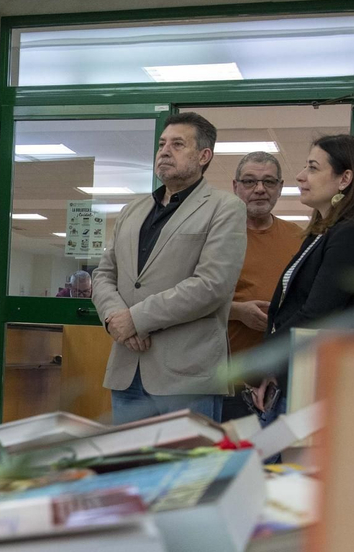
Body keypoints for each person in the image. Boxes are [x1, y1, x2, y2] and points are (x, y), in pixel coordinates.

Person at [91, 113, 246, 425]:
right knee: (129, 468)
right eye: (162, 144)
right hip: (126, 369)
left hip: (186, 376)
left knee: (188, 472)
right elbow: (104, 274)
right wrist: (114, 318)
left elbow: (212, 285)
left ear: (204, 156)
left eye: (178, 144)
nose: (164, 151)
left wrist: (135, 319)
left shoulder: (224, 208)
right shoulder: (133, 210)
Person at [256, 134, 354, 420]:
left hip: (317, 382)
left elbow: (317, 313)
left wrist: (263, 359)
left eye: (313, 168)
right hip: (294, 376)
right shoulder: (322, 231)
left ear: (345, 179)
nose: (301, 176)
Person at [221, 151, 306, 421]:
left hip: (282, 379)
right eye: (249, 181)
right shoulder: (215, 237)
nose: (259, 189)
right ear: (235, 187)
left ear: (280, 188)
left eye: (269, 182)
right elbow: (187, 300)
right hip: (226, 380)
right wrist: (237, 311)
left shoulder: (299, 237)